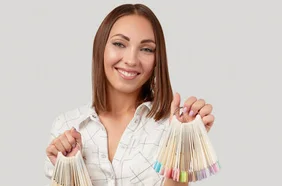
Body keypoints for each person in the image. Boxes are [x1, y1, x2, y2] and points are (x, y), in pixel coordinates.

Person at [44, 4, 216, 186]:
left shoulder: (172, 125)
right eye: (119, 44)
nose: (131, 60)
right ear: (100, 47)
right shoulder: (66, 126)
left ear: (158, 59)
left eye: (147, 49)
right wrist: (70, 169)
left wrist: (182, 142)